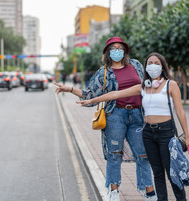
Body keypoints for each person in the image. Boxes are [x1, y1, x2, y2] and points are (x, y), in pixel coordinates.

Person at [77, 52, 189, 201]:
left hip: (166, 132)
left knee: (172, 171)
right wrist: (91, 100)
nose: (153, 66)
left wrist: (188, 137)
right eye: (150, 63)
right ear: (145, 68)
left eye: (156, 63)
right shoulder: (142, 87)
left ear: (163, 67)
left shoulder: (170, 85)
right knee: (157, 173)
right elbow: (115, 94)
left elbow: (180, 111)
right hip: (148, 134)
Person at [54, 37, 157, 201]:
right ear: (108, 53)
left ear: (125, 50)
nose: (117, 51)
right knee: (114, 154)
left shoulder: (136, 65)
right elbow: (89, 94)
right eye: (113, 48)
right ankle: (114, 191)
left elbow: (148, 85)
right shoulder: (103, 73)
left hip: (137, 115)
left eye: (120, 47)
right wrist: (70, 88)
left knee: (143, 154)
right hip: (115, 115)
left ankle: (149, 191)